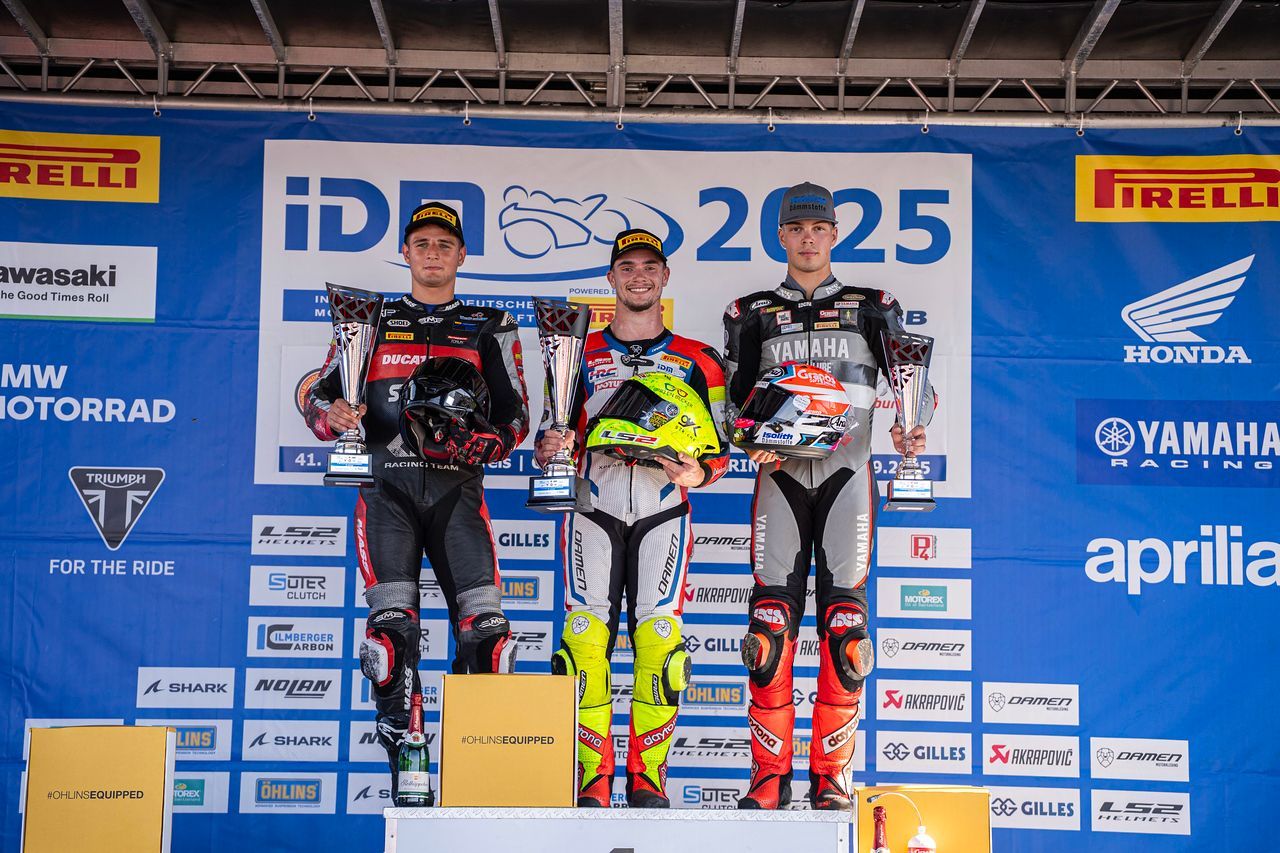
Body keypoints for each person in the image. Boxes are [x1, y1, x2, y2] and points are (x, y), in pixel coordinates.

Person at [302, 201, 530, 793]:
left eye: (444, 245)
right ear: (405, 252)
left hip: (458, 496)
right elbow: (315, 392)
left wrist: (491, 442)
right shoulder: (368, 318)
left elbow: (516, 414)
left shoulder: (489, 324)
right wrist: (331, 416)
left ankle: (481, 770)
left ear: (462, 255)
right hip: (386, 494)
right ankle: (409, 762)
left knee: (488, 635)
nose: (433, 254)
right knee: (390, 638)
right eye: (422, 244)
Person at [722, 183, 935, 810]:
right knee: (767, 633)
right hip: (780, 478)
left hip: (850, 477)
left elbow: (915, 383)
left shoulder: (872, 307)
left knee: (847, 635)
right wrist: (746, 438)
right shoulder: (752, 313)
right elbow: (732, 401)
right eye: (796, 228)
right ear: (781, 237)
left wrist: (913, 423)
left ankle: (831, 777)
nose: (808, 238)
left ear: (835, 235)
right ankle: (768, 777)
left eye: (819, 228)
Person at [534, 228, 730, 808]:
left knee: (661, 647)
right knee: (582, 643)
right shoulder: (575, 352)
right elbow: (552, 433)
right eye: (627, 267)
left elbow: (721, 447)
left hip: (662, 509)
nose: (638, 276)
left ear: (665, 276)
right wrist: (551, 448)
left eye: (649, 266)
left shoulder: (700, 359)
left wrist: (700, 473)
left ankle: (648, 779)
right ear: (611, 277)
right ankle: (591, 777)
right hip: (592, 506)